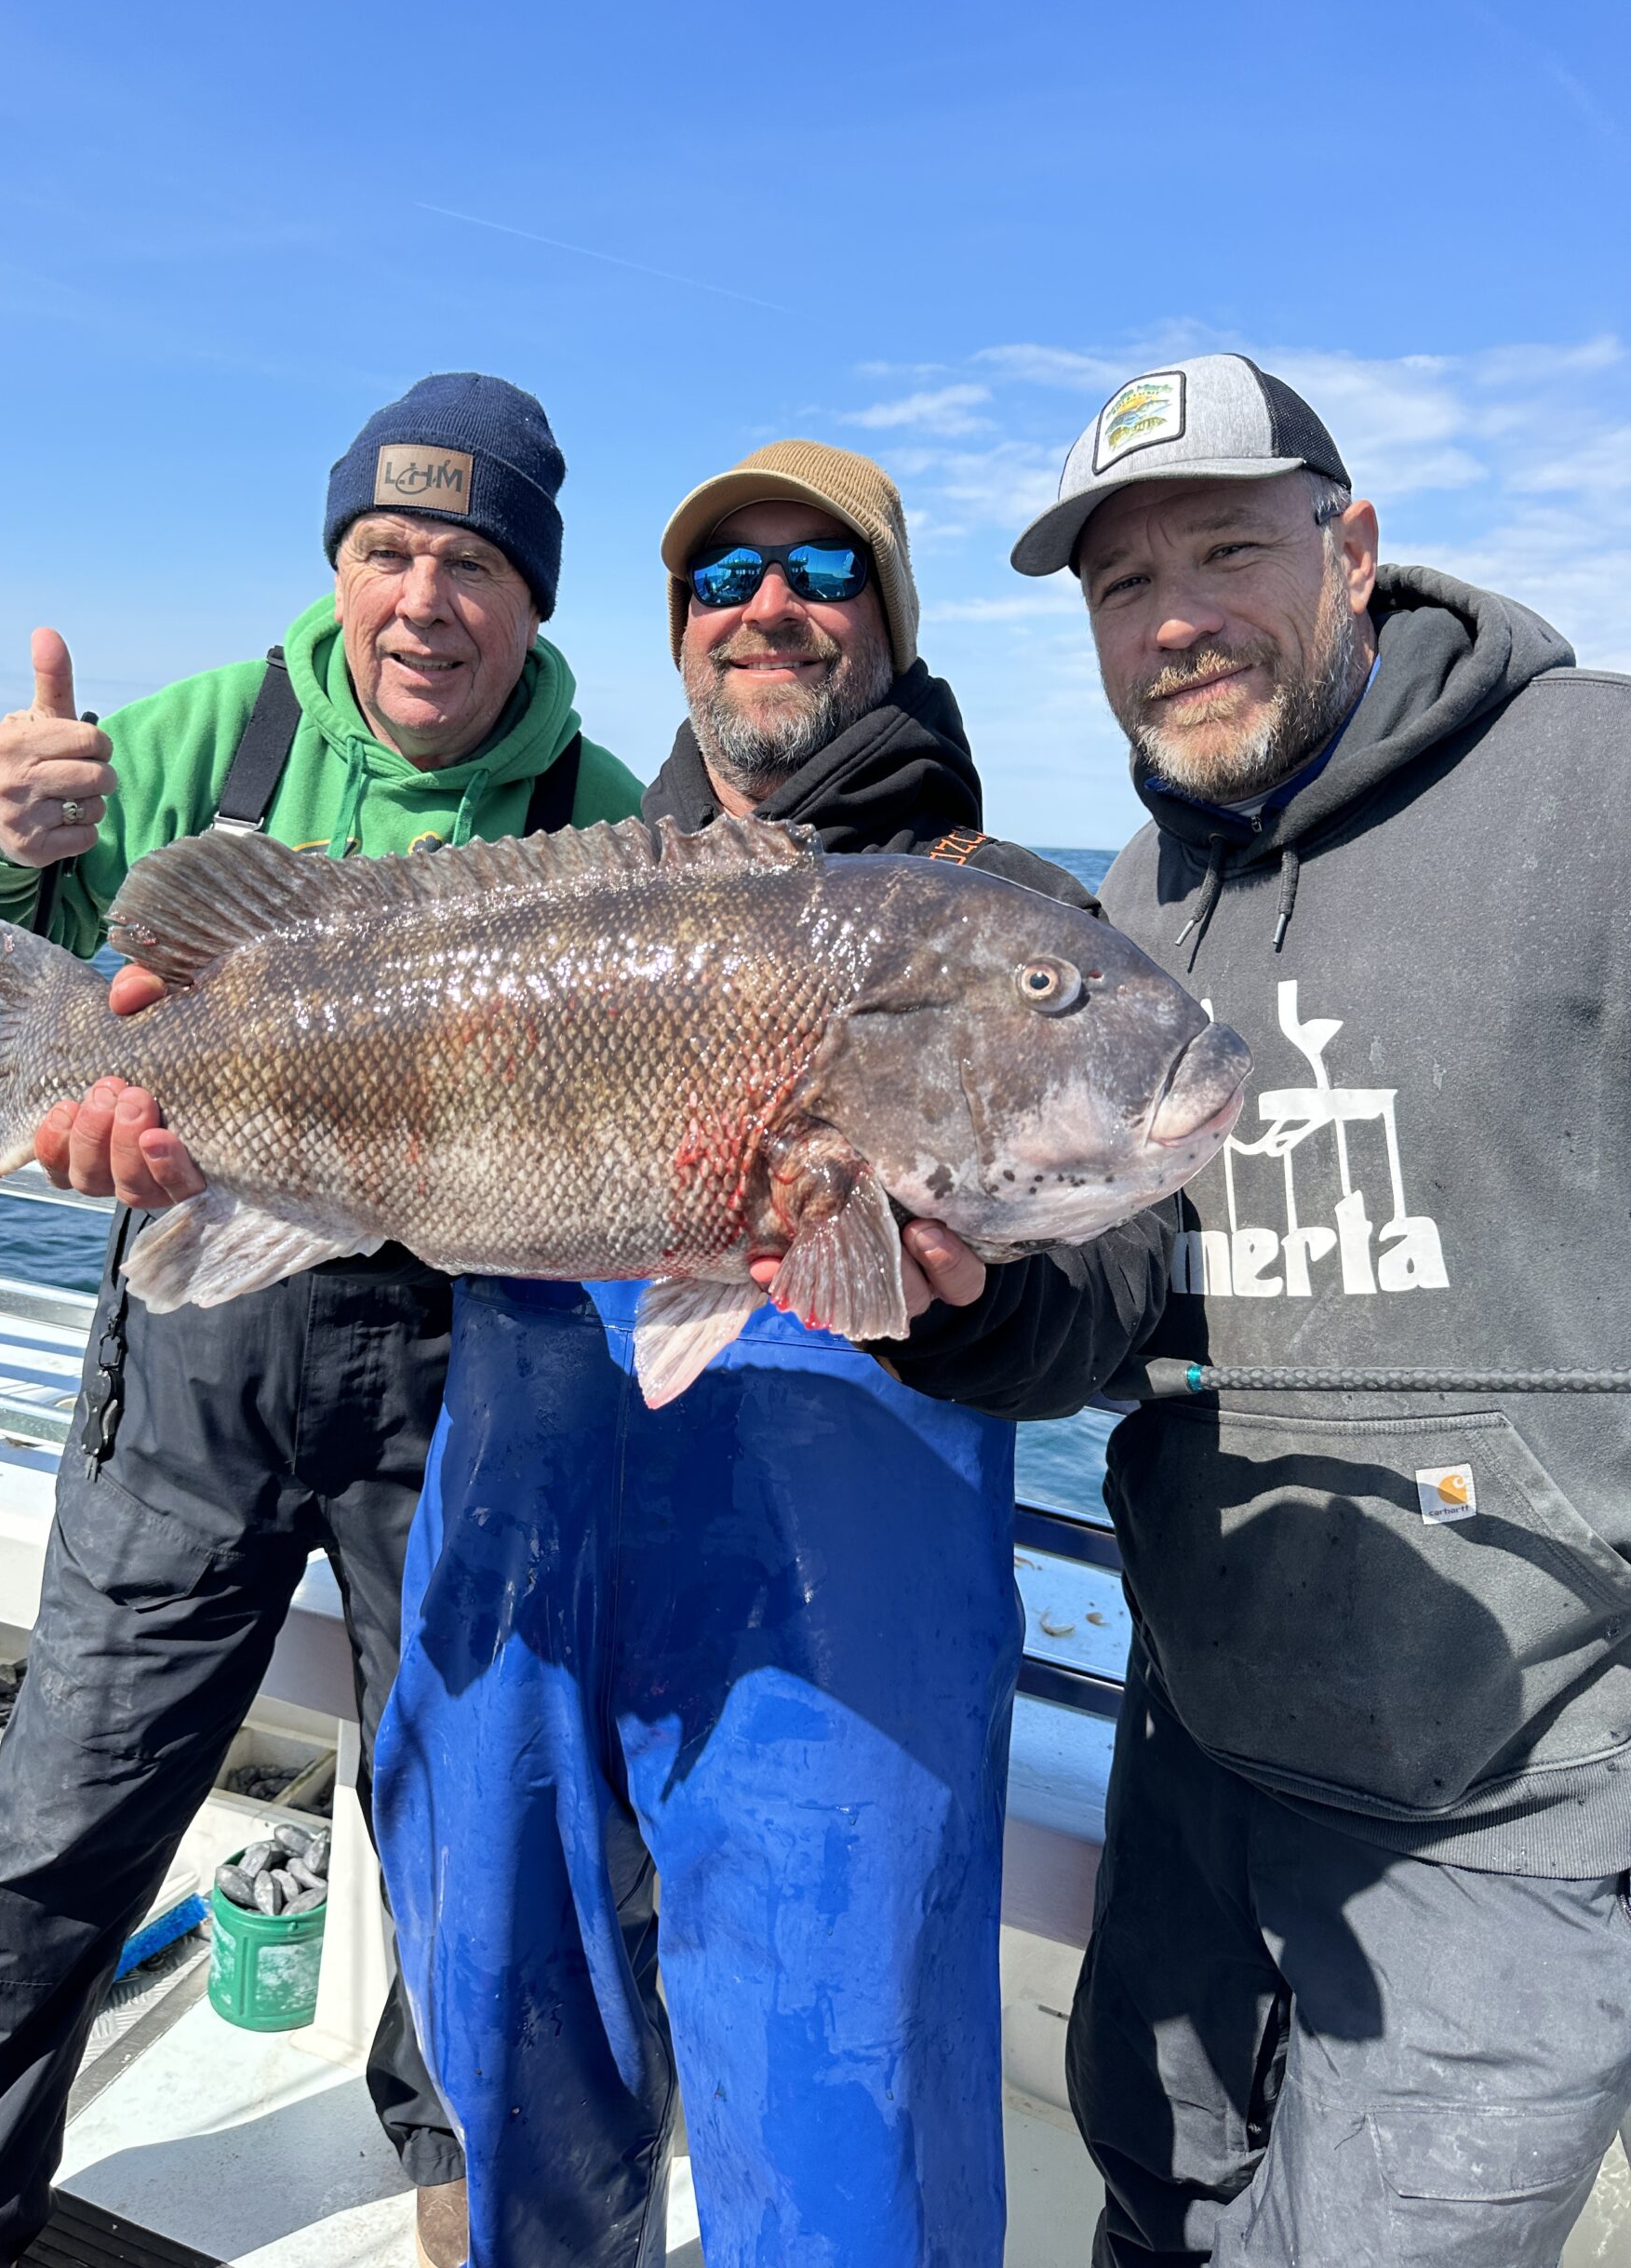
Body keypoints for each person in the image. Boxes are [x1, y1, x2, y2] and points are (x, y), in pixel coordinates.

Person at [367, 441, 1177, 2267]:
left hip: (840, 1657)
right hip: (519, 1594)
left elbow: (1121, 1278)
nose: (769, 606)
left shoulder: (1006, 916)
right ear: (674, 636)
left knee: (846, 2179)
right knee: (511, 2108)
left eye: (822, 567)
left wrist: (979, 1291)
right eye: (721, 581)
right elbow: (358, 1139)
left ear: (888, 621)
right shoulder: (524, 897)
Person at [0, 373, 643, 2268]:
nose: (422, 599)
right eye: (387, 549)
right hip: (201, 1348)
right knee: (66, 1805)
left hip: (462, 1355)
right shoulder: (211, 727)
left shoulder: (600, 808)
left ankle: (459, 2167)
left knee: (481, 1821)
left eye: (472, 561)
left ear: (534, 598)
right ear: (339, 563)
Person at [1010, 352, 1631, 2265]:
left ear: (1350, 547)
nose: (1176, 618)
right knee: (1152, 2212)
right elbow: (1127, 1296)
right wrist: (954, 1309)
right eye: (1124, 587)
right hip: (1193, 1739)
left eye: (1226, 548)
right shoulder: (1126, 890)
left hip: (1510, 1813)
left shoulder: (1594, 785)